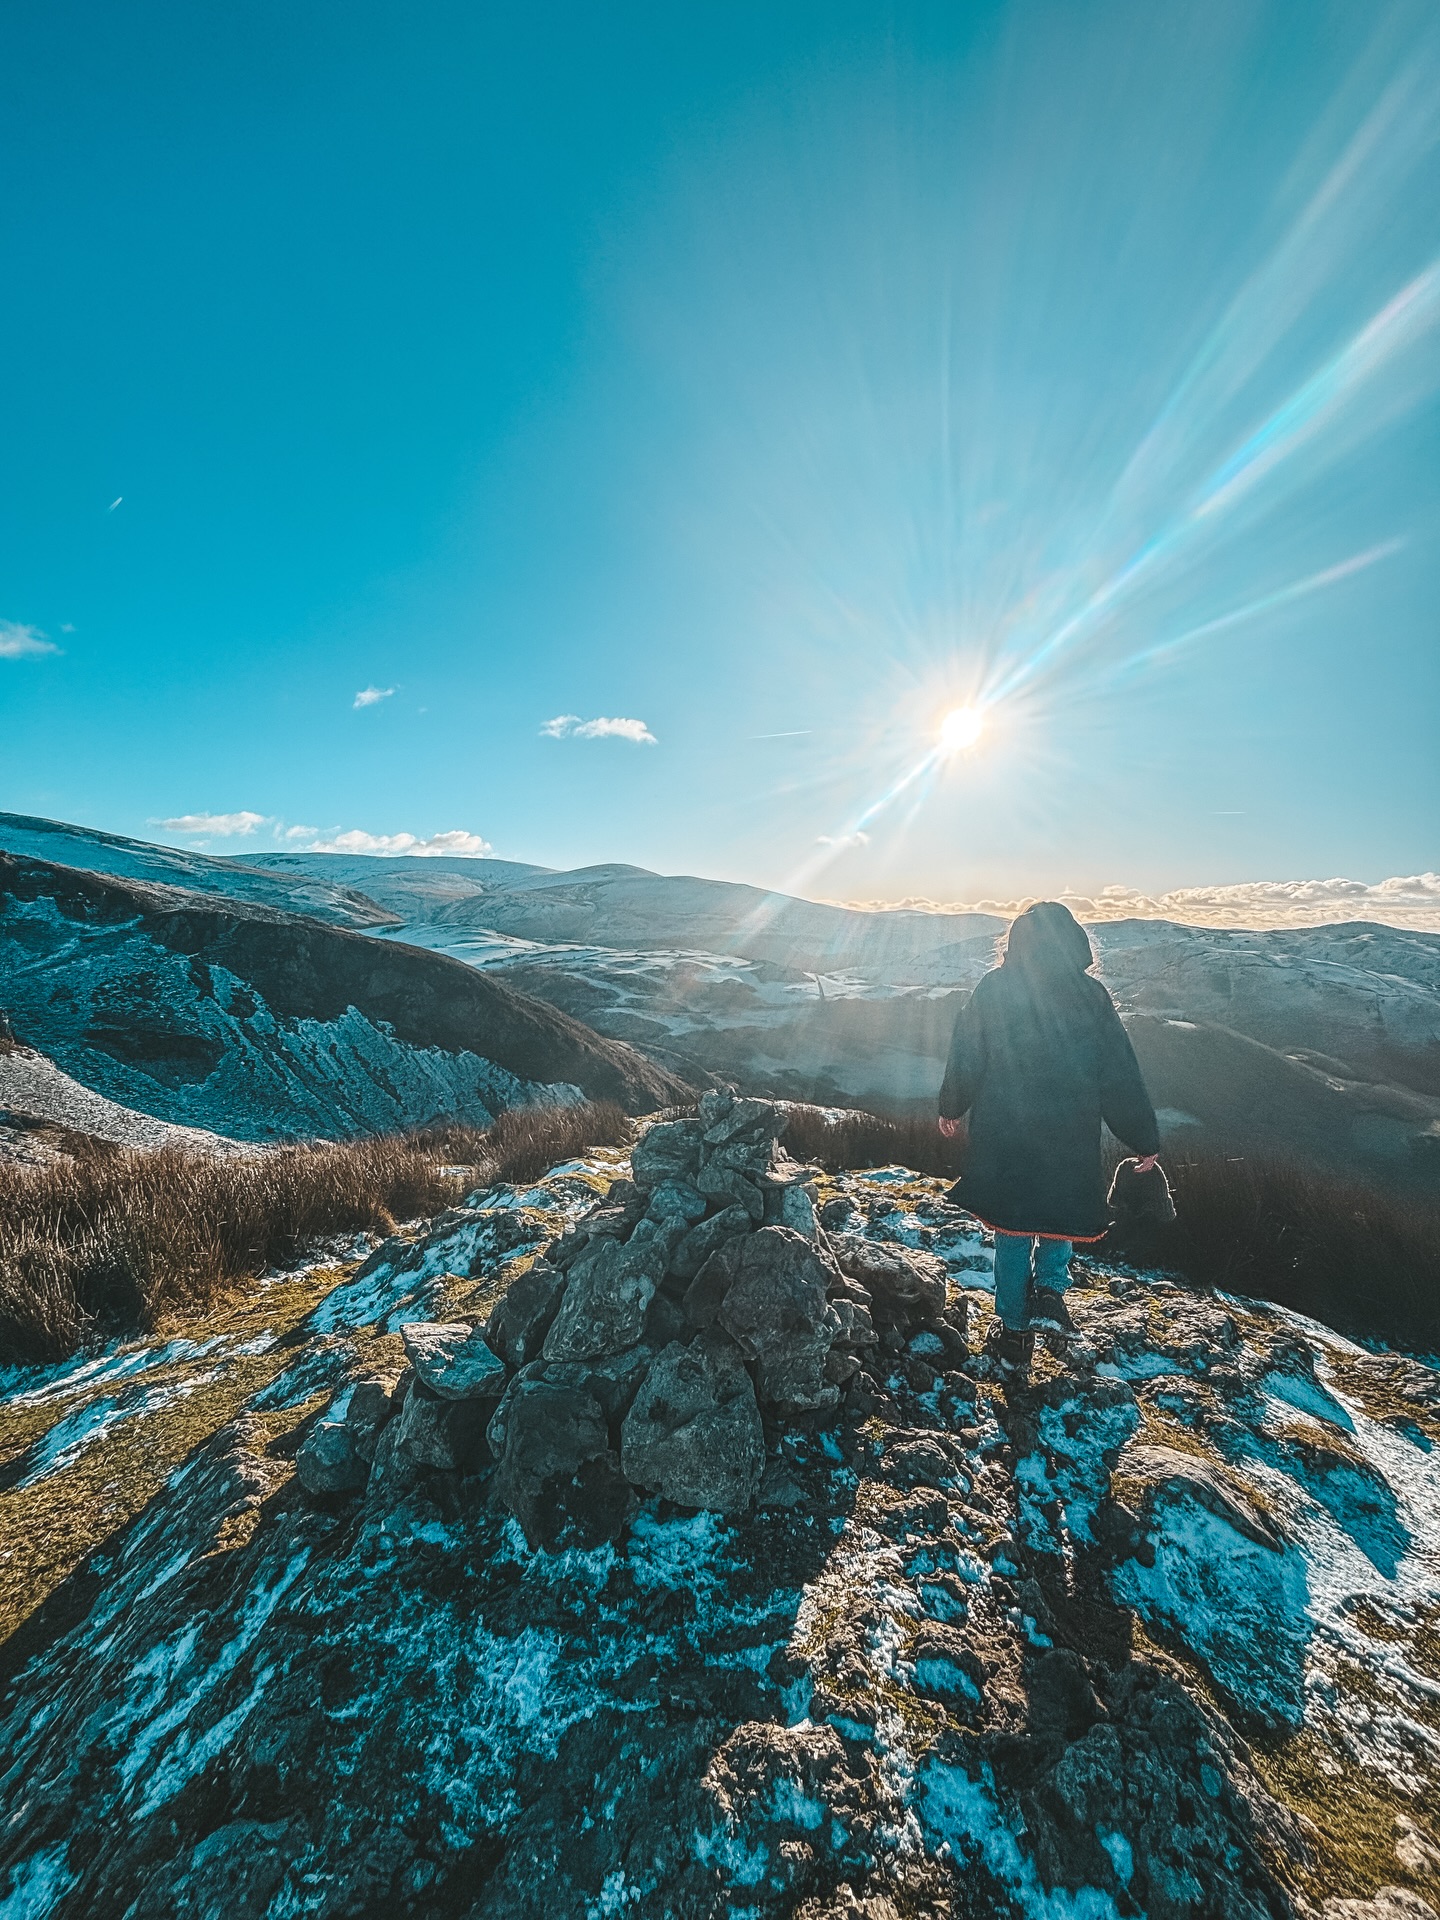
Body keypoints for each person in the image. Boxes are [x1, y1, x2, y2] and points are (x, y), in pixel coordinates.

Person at [937, 900, 1160, 1373]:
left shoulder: (994, 989)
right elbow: (1118, 1072)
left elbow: (967, 1050)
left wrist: (952, 1106)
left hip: (1004, 1132)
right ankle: (1051, 1297)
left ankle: (1015, 1335)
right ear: (1074, 942)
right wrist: (1141, 1136)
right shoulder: (1091, 996)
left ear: (1016, 942)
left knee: (1013, 1229)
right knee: (1061, 1212)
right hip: (1070, 1134)